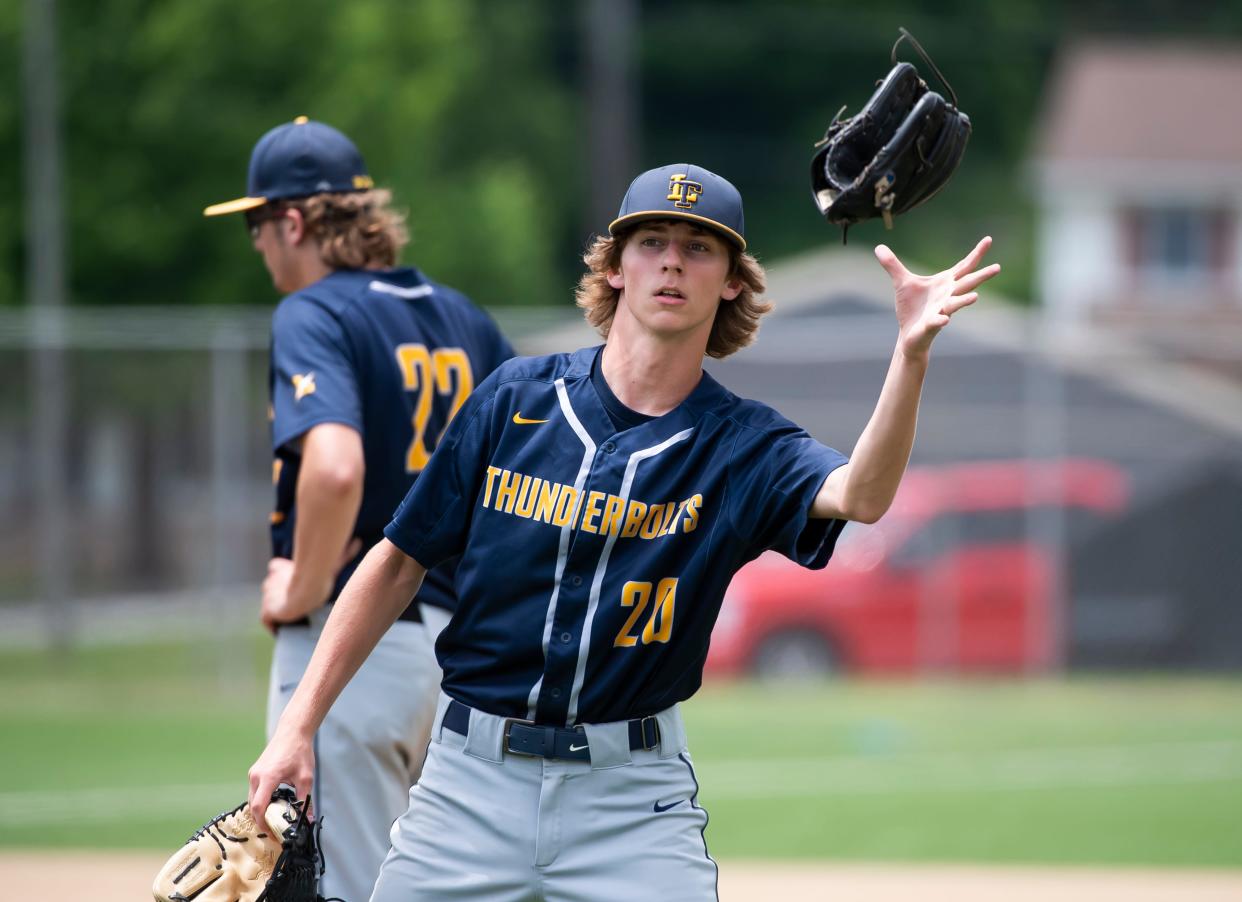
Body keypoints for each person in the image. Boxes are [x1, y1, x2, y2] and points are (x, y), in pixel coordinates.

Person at [247, 162, 999, 900]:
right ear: (614, 268)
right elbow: (395, 563)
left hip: (631, 803)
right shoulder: (514, 400)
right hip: (467, 785)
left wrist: (910, 355)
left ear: (732, 280)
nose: (672, 260)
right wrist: (297, 725)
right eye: (651, 241)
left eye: (698, 246)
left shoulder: (740, 447)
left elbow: (861, 495)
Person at [203, 116, 514, 901]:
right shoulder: (462, 316)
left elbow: (336, 469)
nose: (257, 244)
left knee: (342, 887)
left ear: (295, 221)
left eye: (258, 224)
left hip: (353, 648)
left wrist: (304, 587)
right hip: (460, 659)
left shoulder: (313, 313)